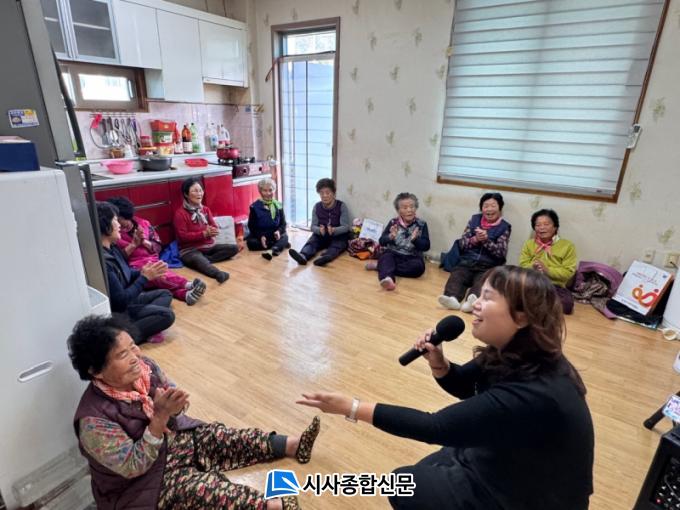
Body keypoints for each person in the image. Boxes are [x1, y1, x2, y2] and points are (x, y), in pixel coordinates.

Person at [297, 265, 594, 510]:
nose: (475, 304)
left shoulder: (536, 391)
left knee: (403, 486)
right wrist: (439, 363)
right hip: (510, 459)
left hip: (532, 496)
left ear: (522, 316)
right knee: (420, 474)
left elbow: (435, 426)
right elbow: (468, 386)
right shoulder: (516, 349)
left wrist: (351, 407)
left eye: (488, 297)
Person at [68, 314, 321, 510]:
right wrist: (159, 417)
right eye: (123, 354)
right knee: (202, 490)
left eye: (133, 346)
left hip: (171, 443)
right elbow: (133, 466)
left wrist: (175, 408)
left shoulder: (146, 368)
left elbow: (178, 404)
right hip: (139, 486)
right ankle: (271, 507)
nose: (136, 357)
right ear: (96, 371)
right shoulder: (93, 421)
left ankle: (293, 445)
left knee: (218, 435)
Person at [97, 201, 175, 344]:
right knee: (167, 315)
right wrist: (144, 278)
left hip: (128, 302)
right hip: (120, 312)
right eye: (115, 220)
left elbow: (126, 273)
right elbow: (120, 302)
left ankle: (149, 324)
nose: (119, 225)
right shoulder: (103, 262)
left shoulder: (112, 248)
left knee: (165, 294)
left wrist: (146, 271)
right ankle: (122, 339)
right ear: (104, 226)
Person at [107, 197, 207, 306]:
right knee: (158, 276)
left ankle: (185, 295)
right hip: (133, 266)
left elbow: (158, 247)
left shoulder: (144, 223)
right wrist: (133, 245)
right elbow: (119, 260)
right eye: (119, 219)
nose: (125, 222)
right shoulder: (113, 234)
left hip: (152, 259)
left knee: (161, 274)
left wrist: (144, 242)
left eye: (127, 218)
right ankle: (187, 284)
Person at [438, 192, 511, 312]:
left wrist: (486, 240)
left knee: (483, 282)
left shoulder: (505, 227)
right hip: (467, 261)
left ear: (500, 208)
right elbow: (462, 243)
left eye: (493, 206)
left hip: (488, 266)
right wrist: (475, 239)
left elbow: (501, 252)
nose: (489, 209)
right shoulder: (474, 220)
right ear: (481, 208)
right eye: (486, 206)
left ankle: (471, 303)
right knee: (457, 275)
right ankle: (453, 299)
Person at [173, 178, 238, 283]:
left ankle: (204, 261)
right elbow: (183, 237)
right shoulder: (180, 214)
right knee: (197, 258)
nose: (199, 194)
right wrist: (203, 234)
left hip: (208, 247)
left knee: (233, 248)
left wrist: (213, 230)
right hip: (190, 250)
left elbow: (214, 225)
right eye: (195, 191)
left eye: (200, 190)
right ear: (186, 194)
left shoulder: (205, 209)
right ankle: (217, 274)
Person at [366, 193, 430, 291]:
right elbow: (381, 241)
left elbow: (426, 246)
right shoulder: (393, 222)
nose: (409, 210)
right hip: (393, 254)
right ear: (398, 210)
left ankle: (381, 266)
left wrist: (415, 240)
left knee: (419, 268)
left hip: (412, 257)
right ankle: (388, 279)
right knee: (386, 257)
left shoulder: (421, 224)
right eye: (405, 208)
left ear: (416, 208)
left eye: (412, 206)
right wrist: (390, 237)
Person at [519, 209, 577, 314]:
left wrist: (547, 270)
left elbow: (568, 272)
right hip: (532, 283)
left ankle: (537, 304)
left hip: (555, 286)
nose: (542, 228)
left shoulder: (568, 246)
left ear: (555, 227)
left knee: (567, 305)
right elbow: (522, 265)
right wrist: (532, 267)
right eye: (538, 225)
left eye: (546, 224)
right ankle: (539, 304)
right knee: (515, 295)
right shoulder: (529, 244)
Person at [289, 178, 350, 267]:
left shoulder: (341, 206)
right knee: (312, 241)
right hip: (322, 235)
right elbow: (313, 226)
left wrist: (334, 230)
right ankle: (303, 256)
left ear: (333, 193)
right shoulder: (317, 207)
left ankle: (326, 257)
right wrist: (319, 230)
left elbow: (346, 227)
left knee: (338, 244)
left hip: (337, 235)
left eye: (327, 193)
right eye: (321, 193)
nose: (324, 196)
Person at [246, 178, 290, 261]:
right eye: (265, 190)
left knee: (285, 236)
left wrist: (279, 231)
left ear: (274, 190)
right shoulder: (254, 207)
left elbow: (283, 224)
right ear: (260, 191)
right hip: (261, 235)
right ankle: (278, 246)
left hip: (274, 235)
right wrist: (260, 237)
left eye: (270, 190)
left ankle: (272, 250)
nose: (268, 193)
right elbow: (251, 227)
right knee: (251, 243)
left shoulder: (278, 205)